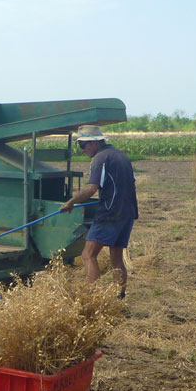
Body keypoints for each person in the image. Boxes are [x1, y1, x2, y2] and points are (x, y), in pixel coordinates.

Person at [59, 125, 138, 298]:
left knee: (88, 255)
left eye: (83, 145)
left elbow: (91, 189)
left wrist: (71, 202)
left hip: (110, 214)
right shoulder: (122, 155)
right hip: (127, 213)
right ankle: (119, 298)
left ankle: (93, 298)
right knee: (116, 257)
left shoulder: (100, 158)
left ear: (94, 143)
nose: (83, 149)